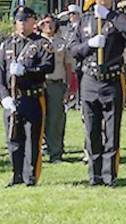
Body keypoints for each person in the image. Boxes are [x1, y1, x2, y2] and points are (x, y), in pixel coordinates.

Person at [69, 0, 126, 187]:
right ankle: (94, 175)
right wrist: (89, 44)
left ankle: (109, 175)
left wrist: (109, 15)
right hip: (90, 80)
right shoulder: (85, 20)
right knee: (91, 130)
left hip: (112, 81)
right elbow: (73, 50)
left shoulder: (118, 18)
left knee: (112, 130)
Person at [0, 6, 54, 187]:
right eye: (19, 20)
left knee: (32, 138)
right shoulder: (8, 45)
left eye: (26, 20)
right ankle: (16, 175)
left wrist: (27, 71)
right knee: (13, 139)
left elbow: (48, 67)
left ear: (33, 21)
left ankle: (31, 177)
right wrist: (4, 98)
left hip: (33, 97)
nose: (22, 24)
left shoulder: (41, 44)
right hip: (13, 100)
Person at [39, 14, 72, 163]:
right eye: (45, 23)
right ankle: (40, 150)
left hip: (56, 84)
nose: (49, 26)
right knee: (38, 119)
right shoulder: (35, 42)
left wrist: (69, 87)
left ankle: (56, 153)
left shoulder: (61, 43)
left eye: (51, 23)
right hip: (38, 85)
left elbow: (68, 66)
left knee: (56, 120)